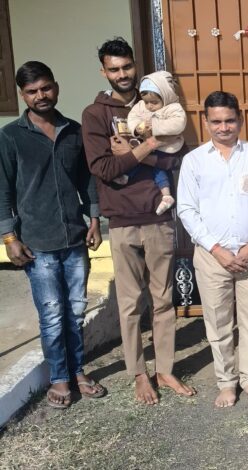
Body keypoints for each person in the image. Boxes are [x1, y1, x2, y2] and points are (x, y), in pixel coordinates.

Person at [82, 37, 195, 405]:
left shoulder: (158, 105)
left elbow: (177, 158)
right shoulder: (95, 114)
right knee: (130, 304)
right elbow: (103, 168)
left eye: (127, 66)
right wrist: (148, 148)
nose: (122, 74)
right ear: (103, 72)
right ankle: (139, 374)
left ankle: (165, 369)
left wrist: (134, 152)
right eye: (114, 69)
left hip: (158, 217)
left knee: (163, 300)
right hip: (122, 221)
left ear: (135, 65)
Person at [0, 61, 105, 409]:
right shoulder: (11, 137)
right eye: (32, 91)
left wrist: (94, 219)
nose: (40, 95)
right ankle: (59, 377)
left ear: (56, 87)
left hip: (75, 237)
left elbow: (86, 180)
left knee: (75, 311)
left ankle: (78, 371)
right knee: (52, 314)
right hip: (36, 242)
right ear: (22, 95)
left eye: (46, 88)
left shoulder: (73, 131)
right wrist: (9, 237)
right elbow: (2, 190)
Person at [178, 91, 248, 408]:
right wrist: (217, 249)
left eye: (230, 120)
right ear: (206, 122)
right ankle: (226, 382)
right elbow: (186, 210)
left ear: (240, 120)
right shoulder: (194, 161)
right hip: (212, 256)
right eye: (217, 121)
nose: (224, 127)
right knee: (218, 323)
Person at [123, 70, 187, 215]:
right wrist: (137, 128)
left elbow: (178, 123)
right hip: (146, 144)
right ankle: (126, 176)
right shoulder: (141, 106)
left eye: (154, 102)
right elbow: (132, 117)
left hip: (166, 147)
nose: (150, 106)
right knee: (138, 159)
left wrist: (155, 125)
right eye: (147, 102)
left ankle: (166, 195)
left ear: (165, 96)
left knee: (159, 168)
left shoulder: (173, 108)